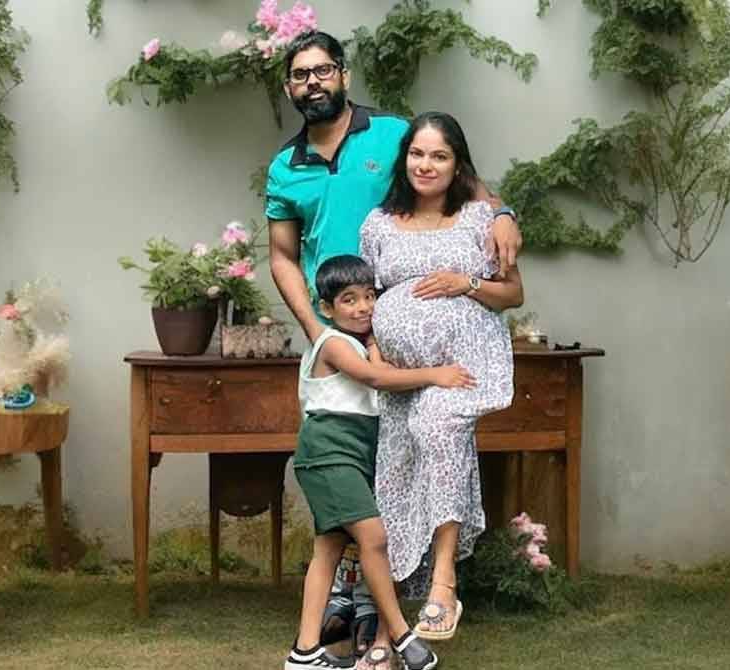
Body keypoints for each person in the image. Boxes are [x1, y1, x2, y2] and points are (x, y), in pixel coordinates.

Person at [266, 30, 523, 655]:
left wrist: (505, 212)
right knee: (362, 466)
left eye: (322, 71)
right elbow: (280, 254)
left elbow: (461, 175)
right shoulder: (285, 167)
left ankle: (388, 613)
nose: (313, 83)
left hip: (410, 353)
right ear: (289, 88)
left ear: (343, 75)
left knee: (404, 460)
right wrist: (318, 330)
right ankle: (367, 613)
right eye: (300, 76)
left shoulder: (391, 135)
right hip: (346, 337)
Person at [359, 112, 524, 645]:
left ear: (458, 166)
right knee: (399, 465)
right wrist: (376, 346)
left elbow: (512, 294)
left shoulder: (480, 219)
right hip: (402, 375)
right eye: (417, 153)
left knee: (437, 427)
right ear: (404, 157)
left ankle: (445, 580)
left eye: (439, 155)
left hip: (465, 365)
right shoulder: (378, 224)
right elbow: (370, 299)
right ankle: (393, 602)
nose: (425, 165)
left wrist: (466, 281)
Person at [285, 255, 473, 670]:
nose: (363, 307)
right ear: (326, 308)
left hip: (345, 456)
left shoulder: (361, 344)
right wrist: (436, 374)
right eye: (349, 300)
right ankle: (403, 636)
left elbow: (379, 371)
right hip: (330, 454)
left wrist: (374, 345)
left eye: (370, 296)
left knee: (328, 550)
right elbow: (376, 379)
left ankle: (304, 653)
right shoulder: (332, 344)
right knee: (374, 538)